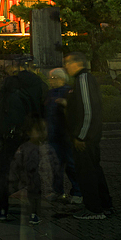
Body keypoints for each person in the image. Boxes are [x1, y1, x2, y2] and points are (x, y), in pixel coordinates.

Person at [0, 66, 46, 221]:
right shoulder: (30, 95)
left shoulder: (6, 97)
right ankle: (34, 212)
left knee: (4, 173)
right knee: (32, 173)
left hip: (8, 139)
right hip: (29, 137)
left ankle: (2, 209)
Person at [64, 51, 114, 220]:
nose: (66, 67)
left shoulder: (83, 79)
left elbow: (88, 109)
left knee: (87, 174)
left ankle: (94, 209)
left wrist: (80, 136)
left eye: (67, 63)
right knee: (94, 171)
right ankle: (104, 205)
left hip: (85, 138)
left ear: (77, 63)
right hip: (89, 136)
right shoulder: (83, 79)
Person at [46, 68, 82, 204]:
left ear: (61, 78)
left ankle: (78, 191)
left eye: (53, 78)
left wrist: (66, 104)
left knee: (71, 164)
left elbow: (76, 111)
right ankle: (58, 191)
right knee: (55, 164)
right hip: (53, 134)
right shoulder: (50, 93)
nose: (51, 81)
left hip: (66, 134)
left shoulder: (69, 91)